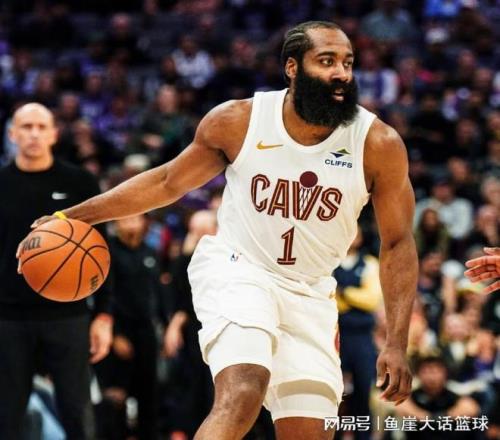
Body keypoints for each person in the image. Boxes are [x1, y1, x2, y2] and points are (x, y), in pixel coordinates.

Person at [20, 21, 418, 440]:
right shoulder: (240, 121)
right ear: (292, 67)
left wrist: (396, 341)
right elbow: (166, 182)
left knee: (310, 432)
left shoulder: (378, 144)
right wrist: (74, 216)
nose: (341, 73)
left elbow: (397, 243)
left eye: (347, 63)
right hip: (239, 269)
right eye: (326, 61)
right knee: (244, 388)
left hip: (311, 291)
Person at [0, 103, 113, 440]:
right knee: (6, 417)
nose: (33, 134)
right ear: (12, 134)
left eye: (41, 127)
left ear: (53, 134)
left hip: (68, 315)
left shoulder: (79, 182)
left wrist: (103, 315)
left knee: (78, 413)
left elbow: (101, 252)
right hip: (8, 317)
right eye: (26, 126)